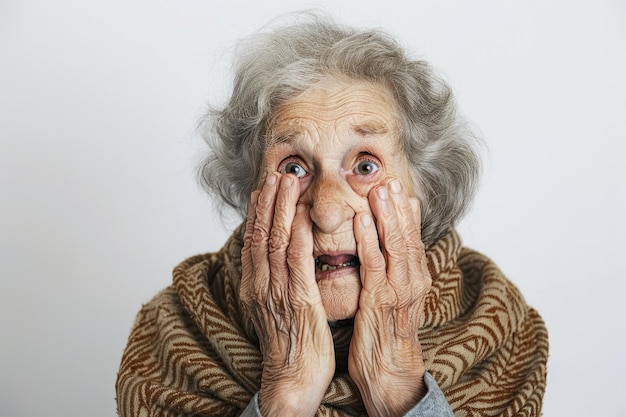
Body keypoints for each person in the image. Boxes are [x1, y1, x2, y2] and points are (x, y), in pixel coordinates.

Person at [116, 15, 548, 417]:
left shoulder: (502, 331)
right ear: (254, 195)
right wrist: (286, 392)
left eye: (365, 166)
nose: (325, 211)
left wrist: (397, 389)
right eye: (293, 168)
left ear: (426, 186)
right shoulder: (173, 332)